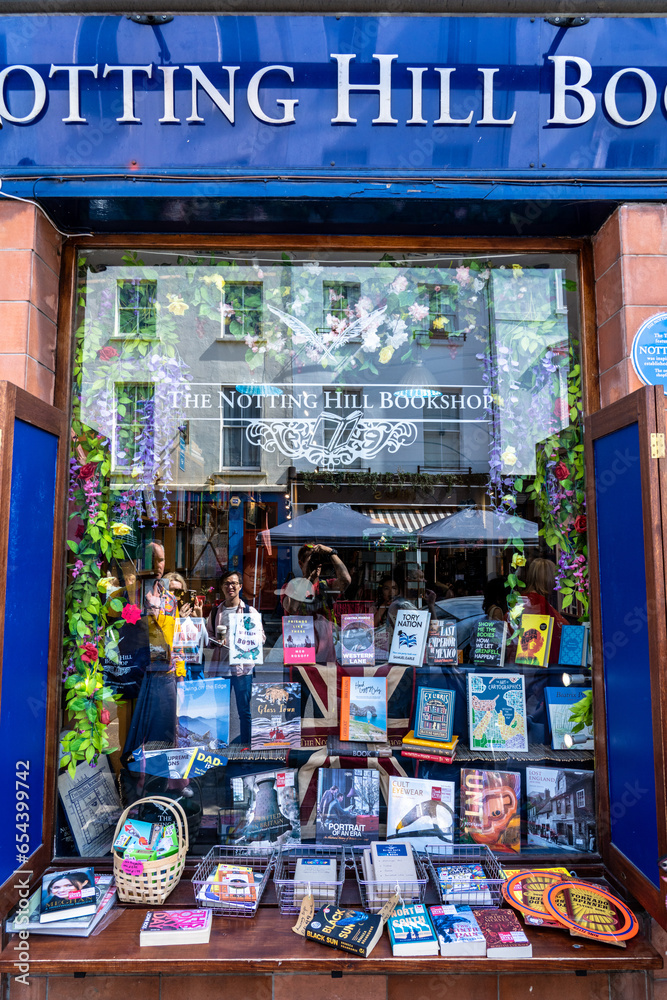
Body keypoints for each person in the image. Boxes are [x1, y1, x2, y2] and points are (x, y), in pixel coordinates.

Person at [206, 568, 264, 744]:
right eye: (226, 583)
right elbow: (208, 637)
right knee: (220, 711)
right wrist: (215, 641)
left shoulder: (249, 611)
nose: (230, 586)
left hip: (243, 669)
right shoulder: (216, 612)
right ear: (222, 587)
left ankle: (246, 746)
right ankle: (220, 745)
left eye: (233, 583)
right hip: (221, 668)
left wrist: (243, 640)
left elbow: (261, 637)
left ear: (240, 586)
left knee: (244, 711)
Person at [519, 557, 568, 663]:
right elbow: (549, 640)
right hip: (540, 666)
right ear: (548, 579)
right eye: (554, 578)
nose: (556, 582)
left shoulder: (525, 600)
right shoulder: (537, 603)